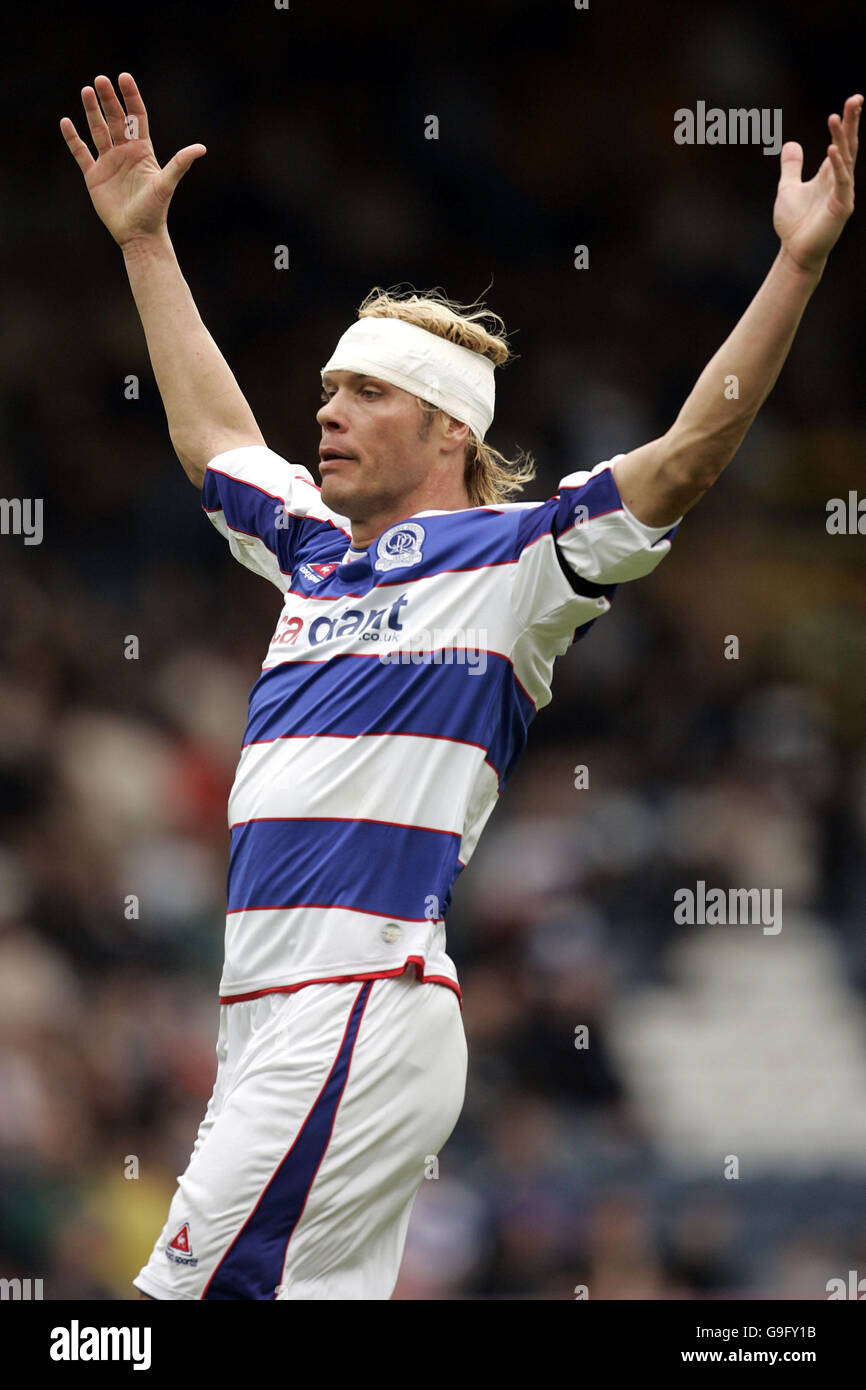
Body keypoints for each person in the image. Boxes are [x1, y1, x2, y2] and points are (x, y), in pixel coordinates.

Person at [61, 73, 860, 1300]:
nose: (324, 413)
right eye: (326, 389)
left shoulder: (516, 562)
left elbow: (685, 455)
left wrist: (792, 270)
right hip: (270, 1015)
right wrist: (147, 245)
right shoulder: (311, 548)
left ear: (448, 433)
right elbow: (213, 437)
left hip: (353, 1002)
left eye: (362, 392)